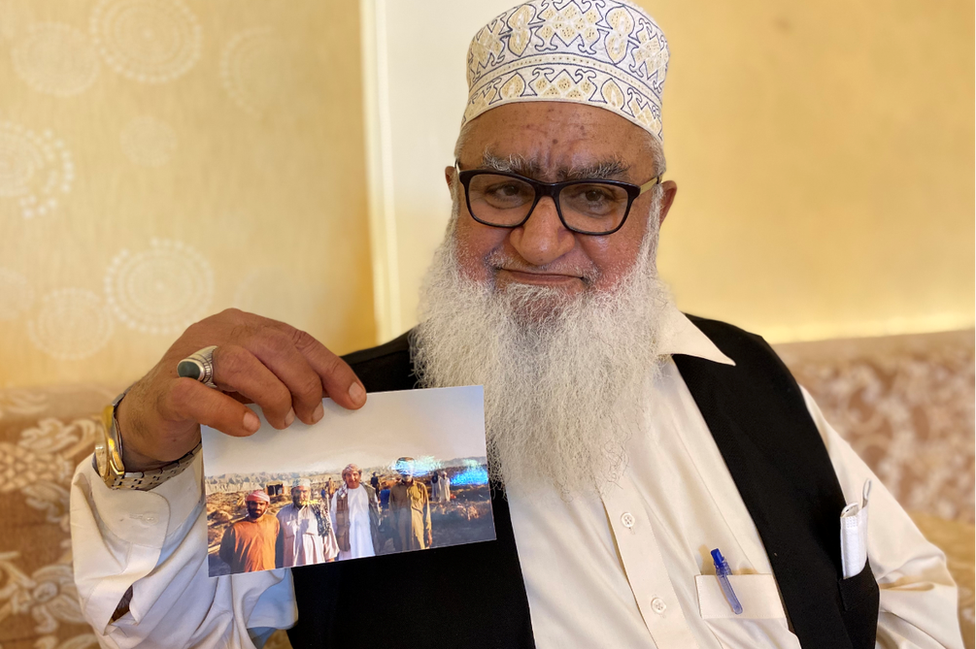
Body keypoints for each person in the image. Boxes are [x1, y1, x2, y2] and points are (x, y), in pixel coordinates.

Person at [70, 1, 964, 647]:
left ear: (657, 212)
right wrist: (144, 443)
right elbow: (172, 631)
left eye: (593, 195)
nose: (539, 241)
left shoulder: (743, 374)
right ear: (457, 192)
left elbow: (909, 581)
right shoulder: (377, 428)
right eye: (503, 189)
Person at [276, 478, 339, 567]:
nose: (301, 495)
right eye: (297, 491)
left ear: (309, 493)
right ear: (292, 493)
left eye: (304, 491)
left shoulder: (320, 512)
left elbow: (329, 546)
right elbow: (277, 547)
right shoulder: (282, 515)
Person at [217, 489, 279, 573]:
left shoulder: (273, 522)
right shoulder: (235, 528)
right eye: (254, 503)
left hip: (268, 573)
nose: (257, 507)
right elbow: (224, 554)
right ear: (247, 504)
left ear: (266, 505)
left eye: (261, 504)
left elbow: (278, 544)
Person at [330, 464, 381, 560]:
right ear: (344, 477)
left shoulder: (369, 492)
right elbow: (333, 517)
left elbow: (376, 513)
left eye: (355, 474)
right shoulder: (339, 495)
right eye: (348, 475)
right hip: (346, 537)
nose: (352, 478)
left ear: (359, 475)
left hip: (366, 534)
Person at [388, 457, 433, 551]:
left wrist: (428, 531)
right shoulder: (395, 490)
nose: (406, 471)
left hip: (418, 530)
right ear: (399, 470)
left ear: (414, 469)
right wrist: (394, 534)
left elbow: (426, 511)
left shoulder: (420, 487)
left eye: (408, 467)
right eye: (402, 468)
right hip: (401, 531)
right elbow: (392, 513)